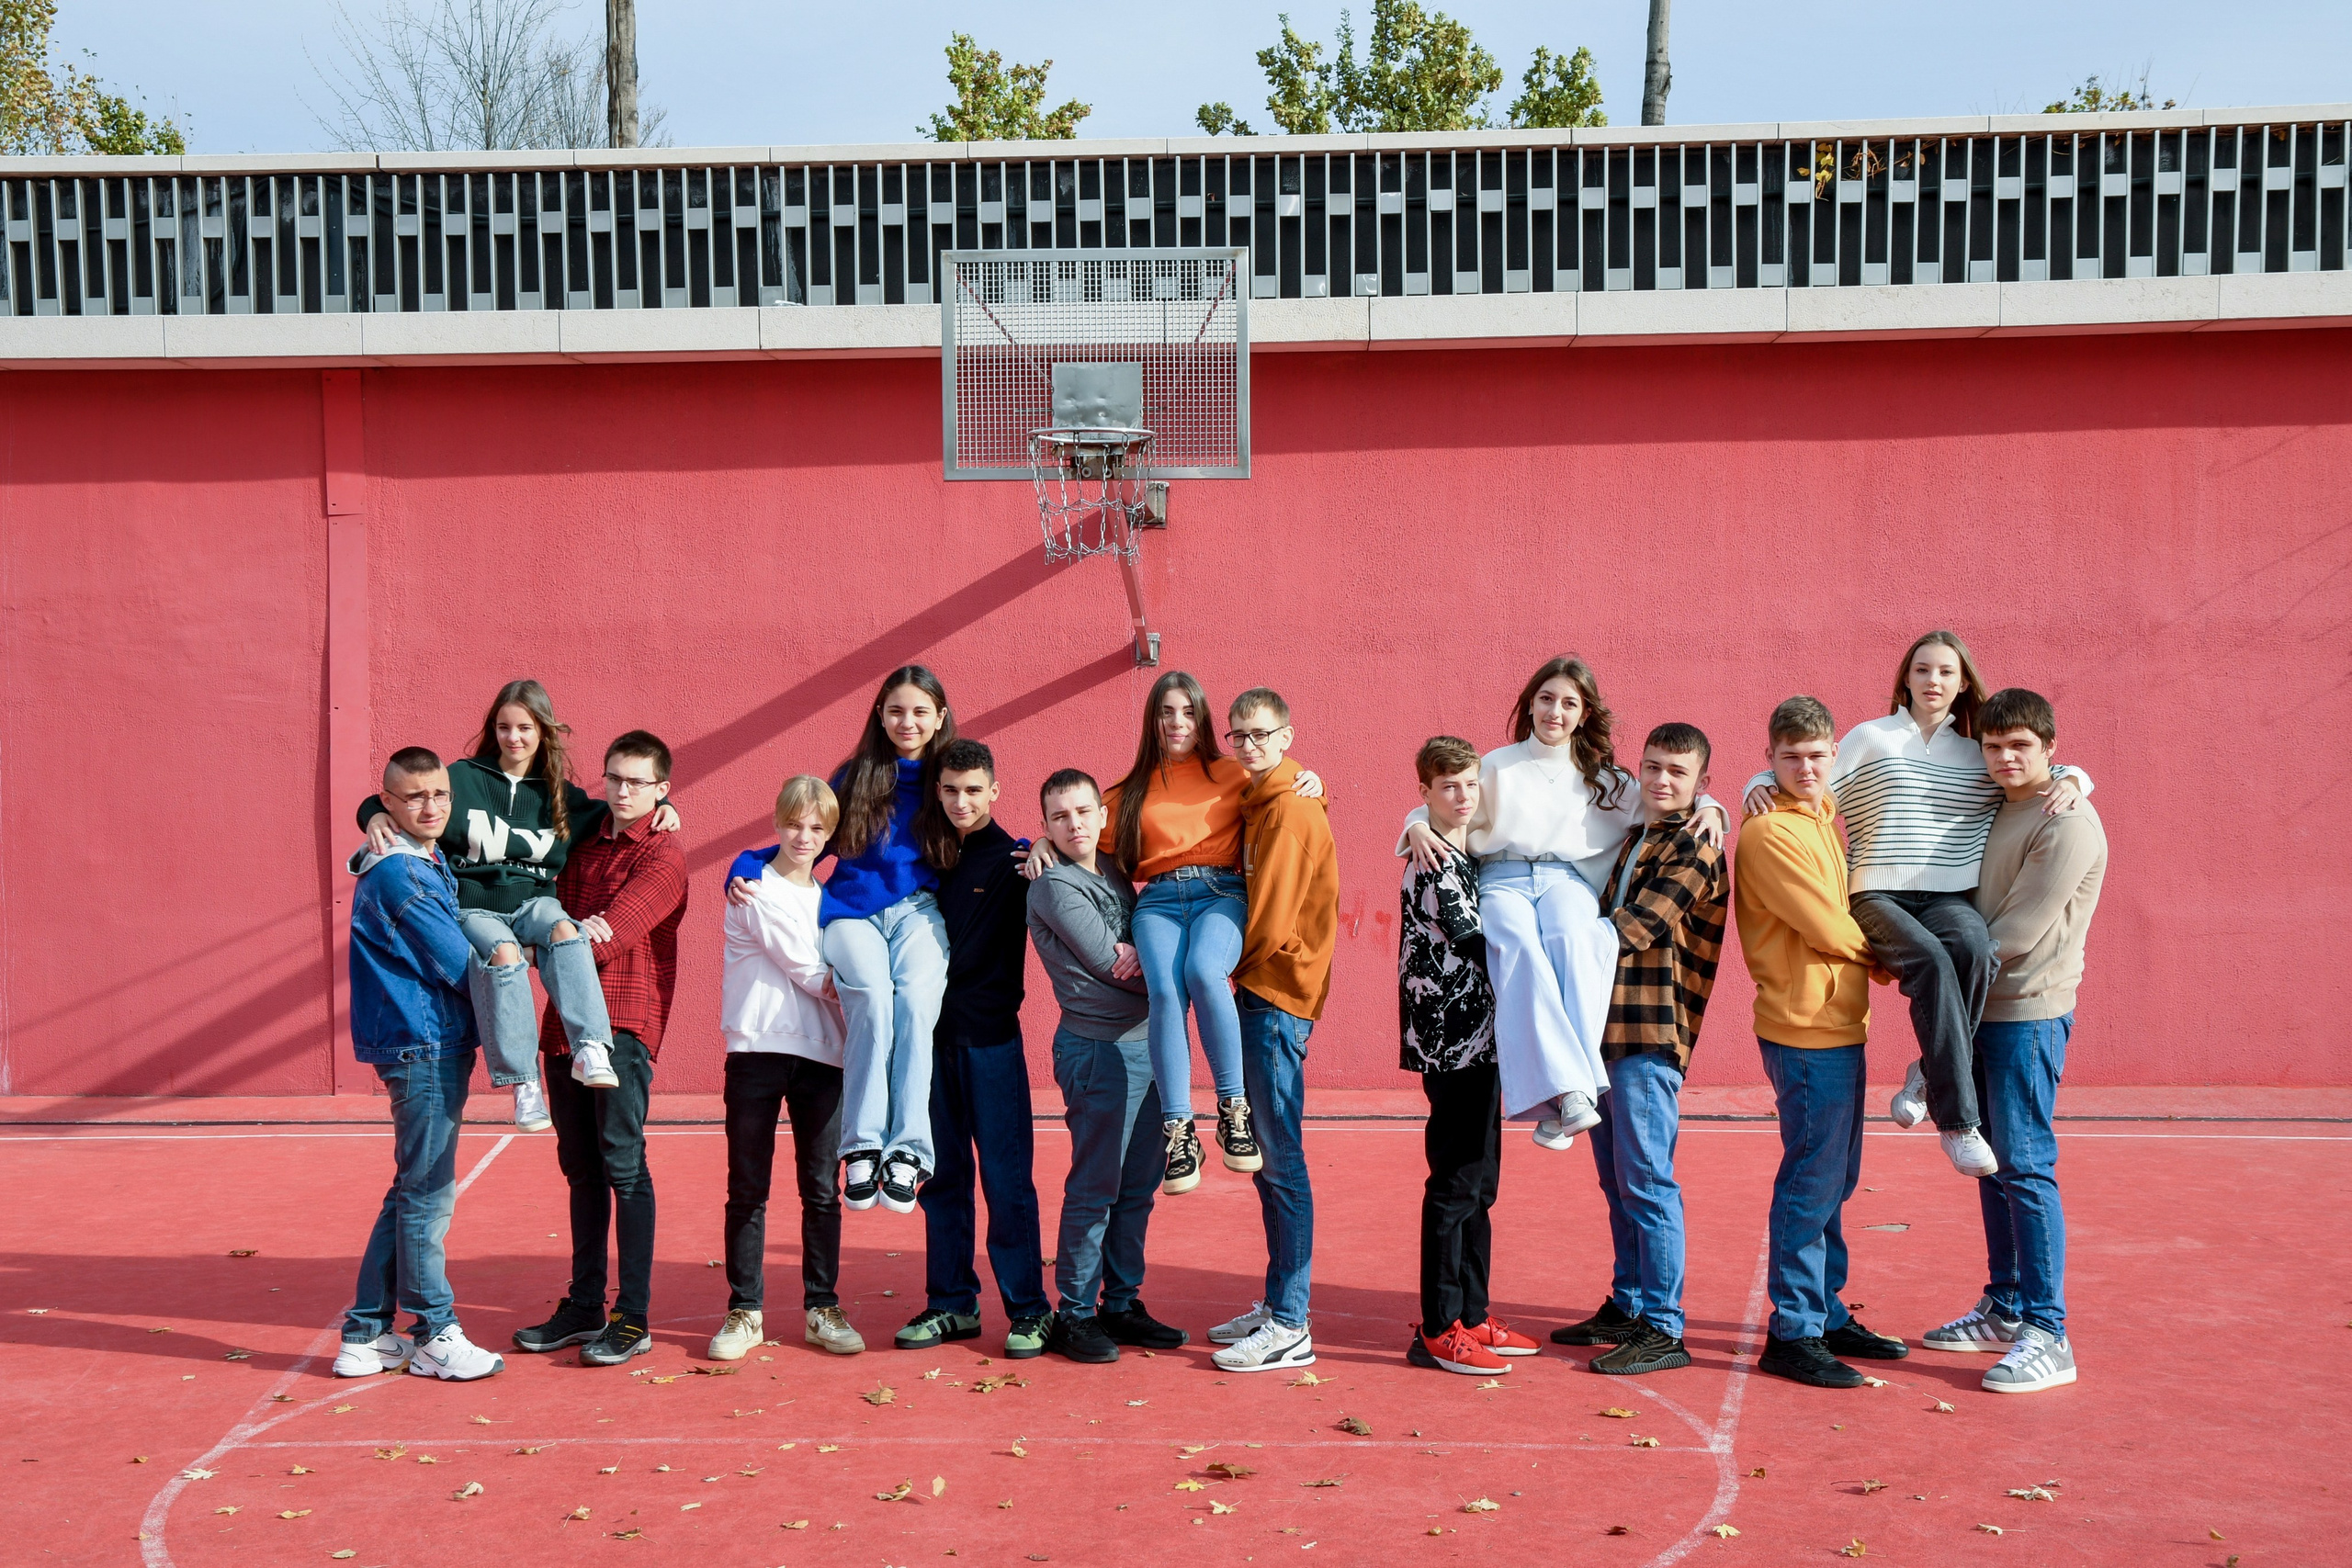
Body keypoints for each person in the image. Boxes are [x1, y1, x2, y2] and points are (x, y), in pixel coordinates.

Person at [1739, 632, 2088, 1179]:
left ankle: (1928, 1072)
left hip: (1949, 893)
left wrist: (2075, 777)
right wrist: (1757, 782)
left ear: (1963, 682)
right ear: (1906, 677)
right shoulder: (1870, 738)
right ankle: (1957, 1123)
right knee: (1928, 958)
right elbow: (1810, 775)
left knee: (1975, 947)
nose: (1933, 681)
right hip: (1877, 890)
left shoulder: (1976, 753)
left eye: (1946, 672)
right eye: (1922, 670)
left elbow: (2025, 772)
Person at [1399, 658, 1723, 1150]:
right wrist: (1416, 823)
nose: (1556, 711)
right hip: (1503, 877)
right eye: (1547, 698)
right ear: (1531, 703)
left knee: (1580, 943)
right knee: (1517, 951)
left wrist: (1713, 805)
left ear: (1584, 712)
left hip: (1566, 878)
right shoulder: (1495, 765)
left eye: (1569, 703)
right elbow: (1447, 798)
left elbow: (1669, 795)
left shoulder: (1607, 778)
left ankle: (1563, 1098)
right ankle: (1571, 1092)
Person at [1034, 671, 1324, 1196]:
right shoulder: (1129, 792)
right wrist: (1039, 843)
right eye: (1166, 712)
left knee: (1203, 972)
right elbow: (1077, 826)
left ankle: (1233, 1111)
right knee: (1164, 990)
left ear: (1203, 718)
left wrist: (1313, 779)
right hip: (1160, 900)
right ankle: (1180, 1130)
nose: (1177, 722)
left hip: (1222, 893)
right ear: (1152, 719)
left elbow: (1284, 782)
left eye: (1187, 712)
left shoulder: (1232, 772)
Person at [356, 680, 678, 1132]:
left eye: (525, 727)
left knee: (567, 931)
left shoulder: (563, 795)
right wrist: (373, 812)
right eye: (504, 727)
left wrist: (667, 808)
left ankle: (591, 1048)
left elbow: (624, 807)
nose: (514, 737)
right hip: (476, 909)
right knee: (504, 956)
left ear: (543, 731)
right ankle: (525, 1085)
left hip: (534, 904)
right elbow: (408, 792)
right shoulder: (463, 778)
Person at [1922, 689, 2106, 1394]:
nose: (2004, 758)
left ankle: (2049, 1331)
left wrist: (1940, 998)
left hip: (2027, 1011)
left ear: (2050, 747)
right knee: (1994, 1163)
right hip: (1983, 1007)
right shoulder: (2002, 801)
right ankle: (2006, 1306)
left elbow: (2019, 933)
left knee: (2025, 1163)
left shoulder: (2068, 822)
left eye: (2020, 747)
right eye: (1994, 746)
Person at [729, 667, 958, 1215]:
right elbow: (806, 832)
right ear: (880, 713)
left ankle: (908, 1151)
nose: (908, 721)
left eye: (920, 711)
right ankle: (861, 1147)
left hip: (917, 914)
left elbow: (981, 825)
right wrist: (743, 862)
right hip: (853, 915)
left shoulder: (945, 778)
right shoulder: (856, 777)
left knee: (917, 1006)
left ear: (939, 718)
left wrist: (1034, 846)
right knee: (872, 1003)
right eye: (897, 710)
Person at [1735, 697, 1911, 1390]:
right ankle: (1794, 1330)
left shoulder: (1822, 817)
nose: (1805, 768)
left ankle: (1827, 1311)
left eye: (1816, 755)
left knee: (1835, 1179)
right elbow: (1828, 926)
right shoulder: (1770, 832)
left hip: (1841, 1025)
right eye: (1789, 758)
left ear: (1833, 754)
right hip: (1803, 1032)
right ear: (1771, 758)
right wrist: (1895, 958)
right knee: (1811, 1182)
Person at [1553, 723, 1728, 1376]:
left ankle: (1663, 1325)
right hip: (1603, 1032)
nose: (1661, 780)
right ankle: (1629, 1304)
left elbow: (1641, 924)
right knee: (1616, 1177)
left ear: (1701, 783)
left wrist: (1549, 944)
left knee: (1648, 1178)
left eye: (1678, 773)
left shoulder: (1697, 848)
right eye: (1652, 767)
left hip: (1651, 1034)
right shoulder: (1633, 835)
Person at [510, 731, 688, 1368]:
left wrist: (542, 933)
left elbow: (608, 935)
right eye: (614, 777)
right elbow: (524, 879)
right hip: (563, 1027)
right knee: (580, 1168)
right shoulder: (582, 835)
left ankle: (631, 1316)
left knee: (622, 1164)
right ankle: (585, 1303)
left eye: (637, 781)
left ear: (662, 788)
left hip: (624, 1028)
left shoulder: (665, 854)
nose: (621, 790)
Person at [334, 747, 504, 1382]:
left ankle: (367, 1332)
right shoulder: (402, 874)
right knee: (429, 1196)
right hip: (424, 1044)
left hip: (425, 1041)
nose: (430, 806)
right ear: (389, 804)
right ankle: (434, 1330)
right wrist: (516, 964)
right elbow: (461, 963)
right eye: (414, 798)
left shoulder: (415, 858)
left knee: (410, 1190)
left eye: (439, 795)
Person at [894, 739, 1055, 1361]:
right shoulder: (923, 857)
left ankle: (1030, 1310)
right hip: (929, 1046)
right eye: (950, 789)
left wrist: (1045, 844)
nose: (961, 801)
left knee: (1008, 1179)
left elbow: (1092, 848)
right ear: (937, 791)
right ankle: (952, 1303)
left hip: (991, 1042)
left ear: (993, 791)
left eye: (972, 789)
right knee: (943, 1178)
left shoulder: (1016, 858)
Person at [1027, 769, 1188, 1364]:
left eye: (1083, 812)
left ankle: (1119, 1303)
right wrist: (1172, 953)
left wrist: (1145, 950)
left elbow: (1134, 955)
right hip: (1098, 1050)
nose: (1074, 824)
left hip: (1150, 1045)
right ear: (1044, 825)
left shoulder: (1115, 868)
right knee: (1096, 1186)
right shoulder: (1052, 885)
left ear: (1101, 814)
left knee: (1138, 1187)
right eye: (1059, 817)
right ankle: (1074, 1312)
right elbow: (1105, 960)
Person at [707, 774, 863, 1363]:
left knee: (822, 1190)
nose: (804, 836)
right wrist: (872, 990)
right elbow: (813, 973)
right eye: (794, 824)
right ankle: (744, 1312)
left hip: (823, 1056)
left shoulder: (831, 898)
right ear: (775, 823)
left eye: (818, 828)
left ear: (830, 836)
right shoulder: (751, 888)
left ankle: (822, 1308)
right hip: (757, 1052)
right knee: (747, 1189)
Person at [1398, 737, 1539, 1376]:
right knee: (1455, 1183)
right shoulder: (1432, 859)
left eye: (1469, 784)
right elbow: (1475, 939)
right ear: (1425, 790)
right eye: (1447, 785)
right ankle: (1436, 1327)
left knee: (1481, 1183)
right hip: (1450, 1043)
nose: (1460, 795)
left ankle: (1474, 1313)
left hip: (1482, 1040)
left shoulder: (1457, 847)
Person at [1208, 689, 1340, 1375]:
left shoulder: (1287, 808)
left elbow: (1273, 920)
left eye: (1262, 734)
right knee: (1266, 1159)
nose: (1250, 745)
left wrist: (1220, 973)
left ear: (1286, 735)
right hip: (1265, 994)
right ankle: (1278, 1302)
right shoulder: (1267, 795)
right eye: (1240, 735)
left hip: (1274, 995)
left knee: (1281, 1159)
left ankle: (1291, 1322)